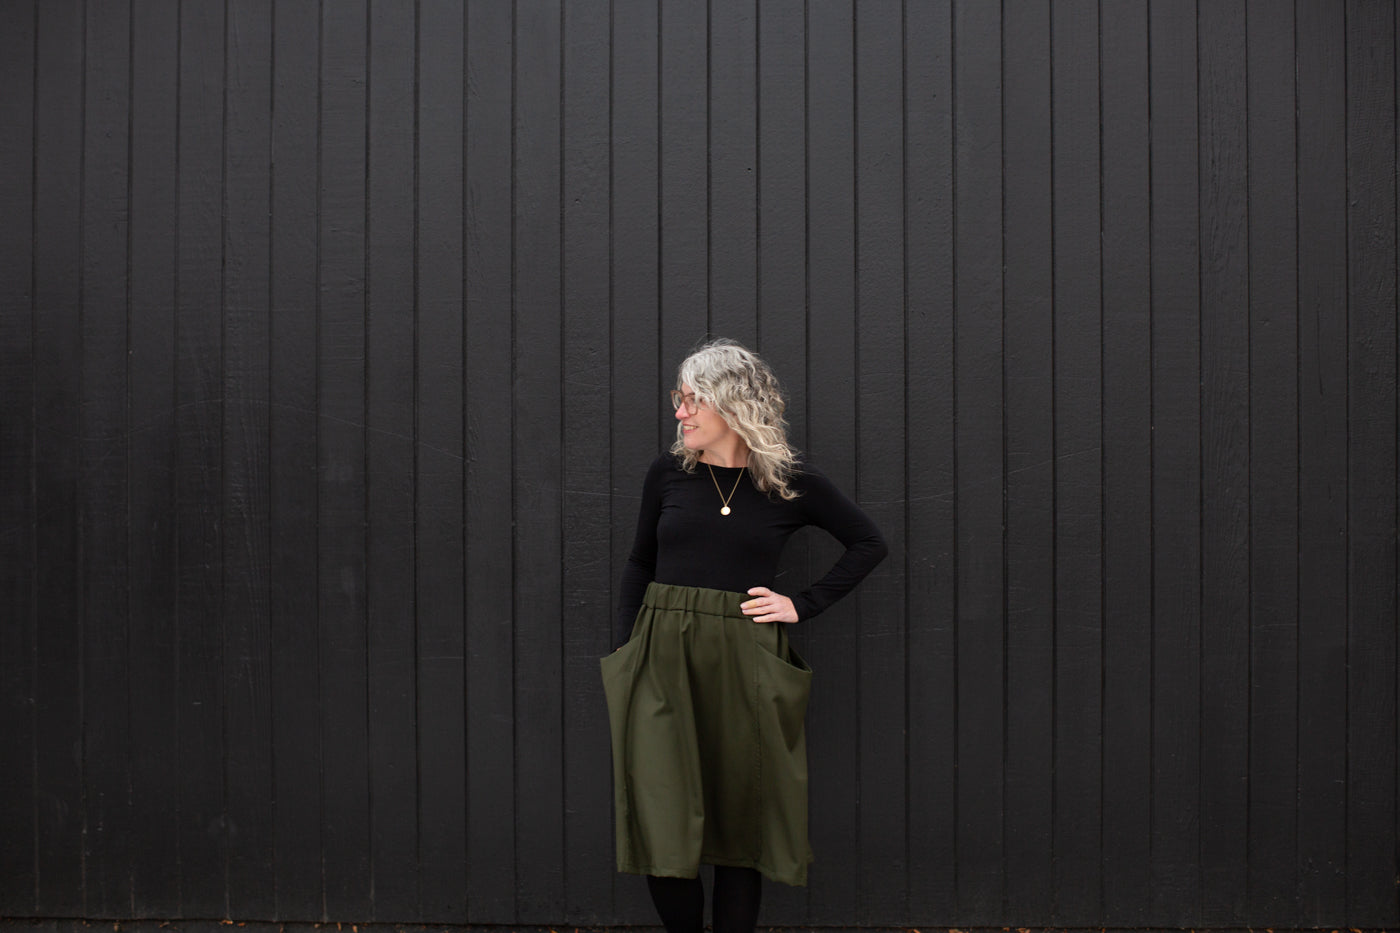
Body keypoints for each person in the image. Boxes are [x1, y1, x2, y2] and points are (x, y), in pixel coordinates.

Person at [601, 338, 888, 933]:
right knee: (663, 810)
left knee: (742, 817)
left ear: (731, 405)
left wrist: (801, 605)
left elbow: (868, 543)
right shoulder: (668, 473)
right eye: (678, 400)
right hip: (662, 655)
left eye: (689, 401)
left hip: (746, 659)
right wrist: (630, 650)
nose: (679, 413)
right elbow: (639, 562)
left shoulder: (790, 482)